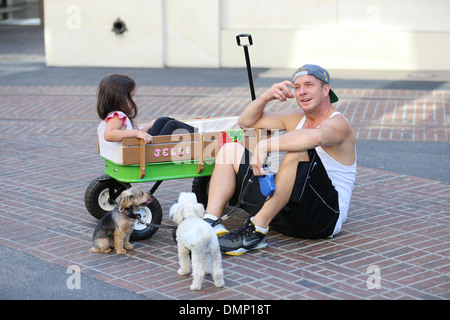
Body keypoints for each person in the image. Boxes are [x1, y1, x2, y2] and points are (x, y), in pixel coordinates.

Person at [203, 64, 357, 256]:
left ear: (326, 89)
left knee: (299, 151)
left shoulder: (338, 123)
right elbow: (246, 122)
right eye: (297, 87)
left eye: (309, 85)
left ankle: (256, 232)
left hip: (322, 218)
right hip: (283, 211)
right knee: (230, 149)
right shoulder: (295, 118)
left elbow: (316, 137)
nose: (302, 92)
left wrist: (264, 146)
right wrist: (266, 96)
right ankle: (210, 222)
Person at [96, 74, 194, 144]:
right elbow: (109, 135)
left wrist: (149, 126)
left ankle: (198, 134)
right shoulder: (117, 116)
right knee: (172, 125)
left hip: (143, 148)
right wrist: (137, 132)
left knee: (162, 120)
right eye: (131, 96)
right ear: (118, 99)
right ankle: (200, 136)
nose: (134, 99)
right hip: (144, 153)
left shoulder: (120, 116)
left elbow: (134, 135)